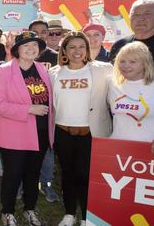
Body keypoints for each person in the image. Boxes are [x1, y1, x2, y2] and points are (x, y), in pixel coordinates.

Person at [49, 32, 113, 226]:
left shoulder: (103, 69)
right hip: (62, 131)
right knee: (67, 173)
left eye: (81, 47)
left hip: (90, 133)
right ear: (64, 51)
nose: (77, 51)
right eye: (72, 47)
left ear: (86, 49)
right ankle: (69, 213)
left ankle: (87, 217)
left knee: (86, 175)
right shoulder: (54, 72)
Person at [0, 31, 54, 226]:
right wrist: (29, 109)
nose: (31, 48)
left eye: (35, 45)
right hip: (14, 134)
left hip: (41, 133)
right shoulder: (4, 70)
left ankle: (29, 209)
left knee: (33, 174)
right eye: (26, 45)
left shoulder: (43, 70)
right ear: (17, 49)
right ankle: (7, 211)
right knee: (13, 173)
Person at [27, 20, 59, 202]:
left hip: (46, 113)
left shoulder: (56, 56)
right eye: (35, 32)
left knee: (47, 153)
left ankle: (46, 184)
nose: (40, 35)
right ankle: (22, 186)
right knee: (23, 153)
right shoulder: (22, 54)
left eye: (44, 32)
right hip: (25, 112)